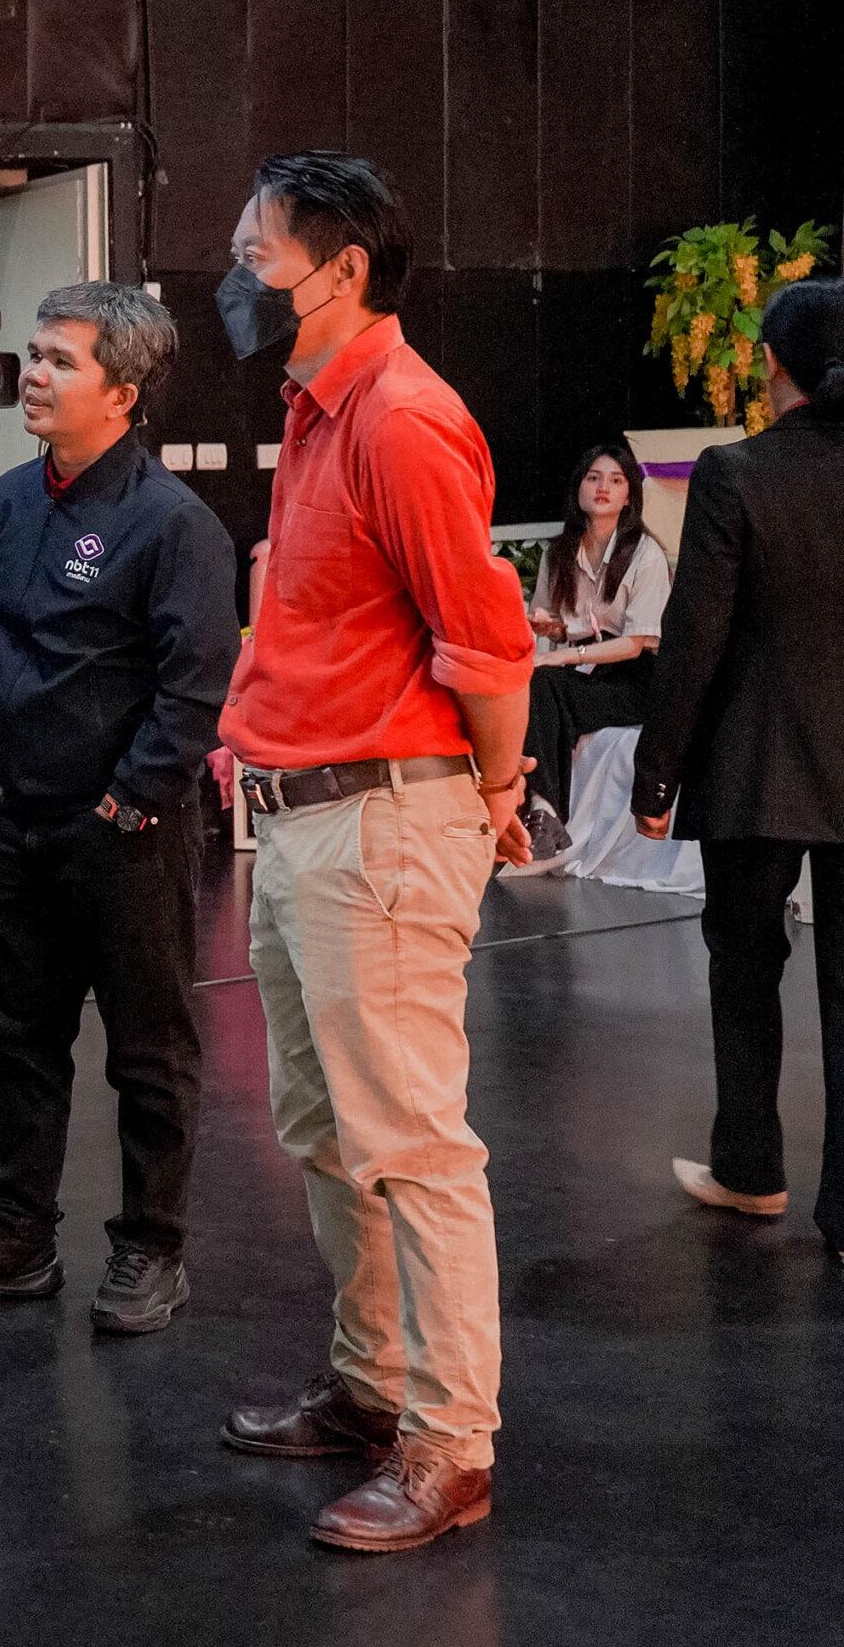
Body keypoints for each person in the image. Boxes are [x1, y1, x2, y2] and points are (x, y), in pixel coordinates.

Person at [213, 152, 534, 1553]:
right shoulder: (318, 408)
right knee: (327, 1132)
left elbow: (489, 641)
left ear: (341, 269)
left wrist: (495, 785)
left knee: (411, 1145)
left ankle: (451, 1444)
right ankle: (371, 1384)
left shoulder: (402, 419)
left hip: (378, 822)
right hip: (304, 821)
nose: (236, 275)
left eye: (257, 252)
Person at [0, 282, 238, 1333]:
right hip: (26, 826)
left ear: (122, 393)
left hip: (126, 833)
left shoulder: (173, 525)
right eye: (34, 354)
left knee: (148, 1053)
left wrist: (130, 806)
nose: (32, 375)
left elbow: (193, 689)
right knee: (19, 1043)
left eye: (59, 361)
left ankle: (150, 1251)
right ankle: (13, 1238)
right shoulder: (10, 499)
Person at [633, 278, 844, 1262]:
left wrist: (656, 777)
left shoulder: (736, 472)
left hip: (756, 766)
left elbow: (694, 641)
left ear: (771, 363)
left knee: (746, 967)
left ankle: (752, 1169)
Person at [517, 443, 672, 860]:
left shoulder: (645, 554)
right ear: (579, 488)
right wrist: (552, 628)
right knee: (539, 686)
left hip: (637, 674)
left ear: (629, 496)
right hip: (588, 670)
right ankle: (541, 809)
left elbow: (635, 643)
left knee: (547, 683)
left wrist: (561, 655)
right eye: (593, 478)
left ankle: (543, 809)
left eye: (616, 480)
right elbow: (559, 624)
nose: (603, 487)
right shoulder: (559, 553)